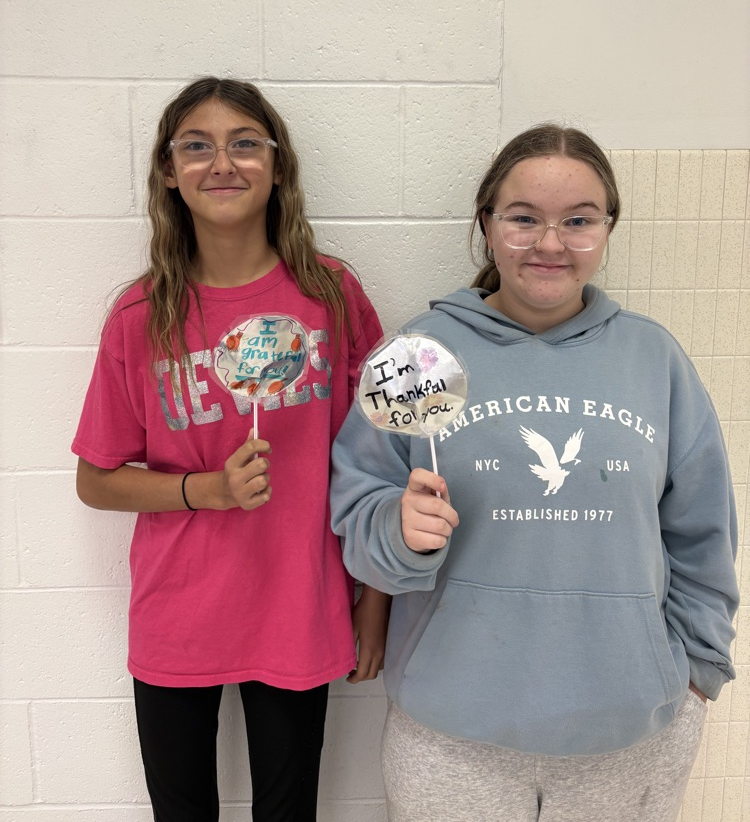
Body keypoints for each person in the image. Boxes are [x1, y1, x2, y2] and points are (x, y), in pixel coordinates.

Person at [330, 124, 738, 822]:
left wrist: (698, 665)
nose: (550, 243)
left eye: (578, 221)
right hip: (451, 736)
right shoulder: (417, 356)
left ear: (608, 229)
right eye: (524, 219)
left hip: (630, 732)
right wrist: (396, 530)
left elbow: (702, 528)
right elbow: (356, 517)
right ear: (487, 224)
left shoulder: (654, 359)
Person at [72, 77, 389, 822]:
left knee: (290, 812)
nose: (223, 163)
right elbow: (97, 479)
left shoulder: (332, 295)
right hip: (178, 614)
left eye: (245, 143)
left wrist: (375, 604)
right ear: (169, 172)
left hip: (299, 605)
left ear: (278, 167)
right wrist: (203, 490)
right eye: (197, 146)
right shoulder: (140, 315)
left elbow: (382, 460)